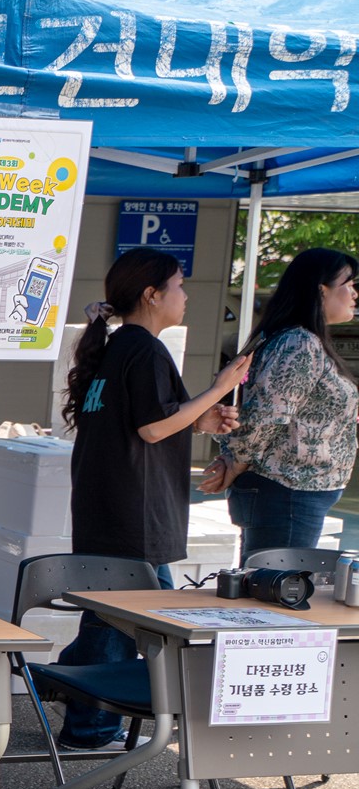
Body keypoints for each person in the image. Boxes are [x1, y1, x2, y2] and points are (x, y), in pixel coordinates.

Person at [57, 247, 250, 748]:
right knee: (138, 622)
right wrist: (219, 388)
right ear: (152, 294)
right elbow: (150, 427)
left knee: (115, 619)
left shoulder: (120, 347)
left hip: (111, 508)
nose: (185, 296)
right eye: (179, 285)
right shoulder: (143, 348)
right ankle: (87, 717)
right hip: (133, 514)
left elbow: (149, 421)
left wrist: (201, 417)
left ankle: (76, 708)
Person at [202, 247, 359, 557]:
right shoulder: (299, 342)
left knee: (275, 591)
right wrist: (234, 463)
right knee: (273, 593)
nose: (354, 293)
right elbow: (266, 416)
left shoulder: (304, 340)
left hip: (294, 494)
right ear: (320, 289)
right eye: (349, 284)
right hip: (286, 492)